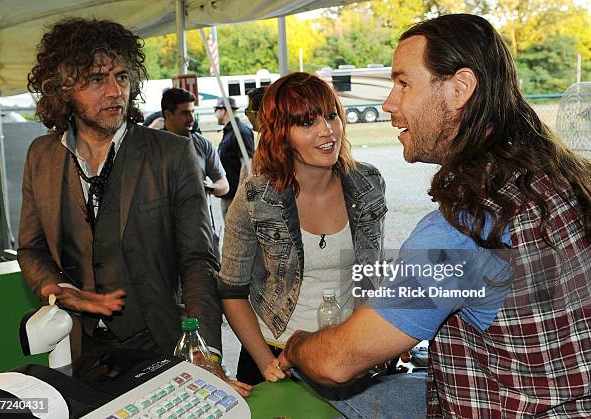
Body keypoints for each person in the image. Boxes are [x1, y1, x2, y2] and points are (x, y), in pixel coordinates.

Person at [278, 13, 591, 418]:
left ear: (459, 89)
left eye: (404, 83)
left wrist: (296, 345)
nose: (389, 103)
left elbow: (336, 362)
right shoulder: (556, 177)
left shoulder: (462, 231)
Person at [20, 18, 251, 396]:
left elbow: (197, 260)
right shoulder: (41, 156)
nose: (115, 92)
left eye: (123, 77)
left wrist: (205, 351)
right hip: (81, 349)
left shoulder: (172, 154)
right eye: (97, 79)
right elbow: (31, 249)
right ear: (63, 87)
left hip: (161, 342)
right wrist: (59, 288)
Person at [218, 72, 387, 385]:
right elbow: (232, 290)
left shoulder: (368, 184)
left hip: (349, 349)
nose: (327, 130)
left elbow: (370, 272)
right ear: (281, 134)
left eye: (332, 115)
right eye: (307, 122)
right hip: (275, 352)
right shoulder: (256, 197)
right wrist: (267, 363)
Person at [162, 87, 229, 255]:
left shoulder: (203, 144)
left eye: (193, 112)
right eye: (185, 113)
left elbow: (224, 184)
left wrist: (209, 187)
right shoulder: (152, 147)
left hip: (199, 232)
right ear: (168, 114)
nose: (191, 118)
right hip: (163, 236)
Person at [215, 97, 254, 220]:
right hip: (227, 196)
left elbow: (247, 166)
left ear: (224, 110)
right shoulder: (229, 131)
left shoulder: (240, 131)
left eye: (216, 109)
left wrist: (238, 200)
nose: (215, 113)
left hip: (235, 199)